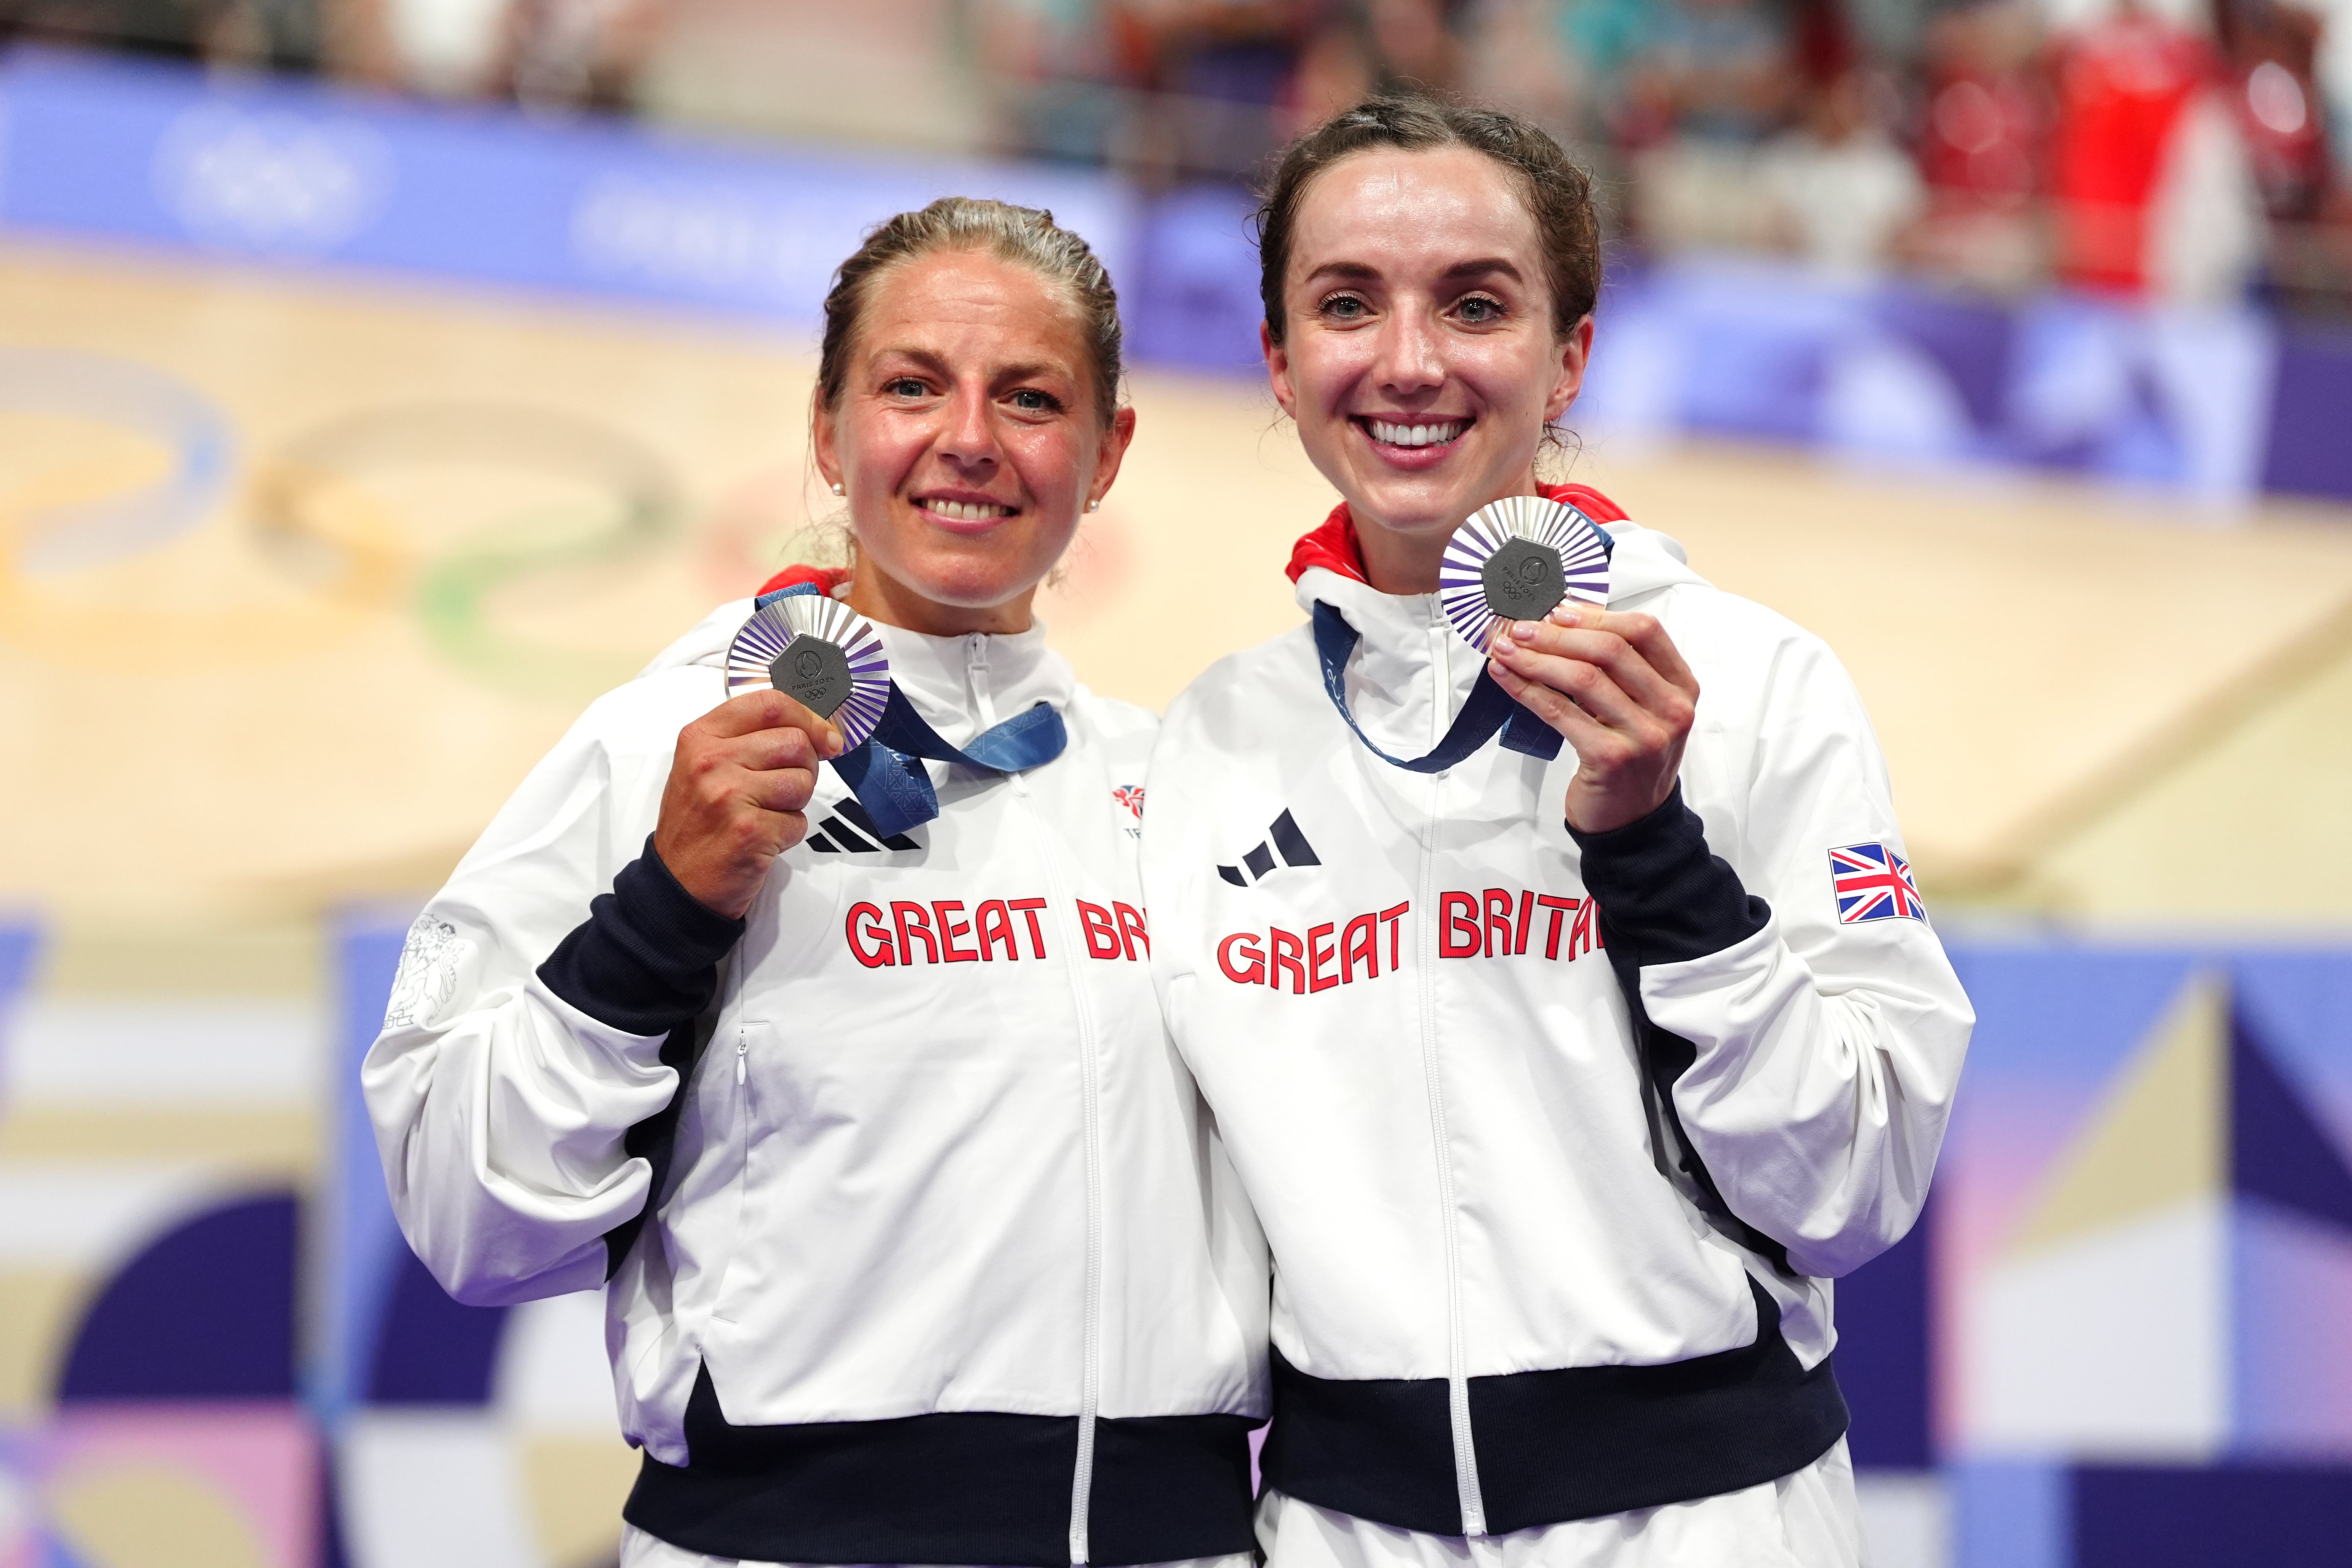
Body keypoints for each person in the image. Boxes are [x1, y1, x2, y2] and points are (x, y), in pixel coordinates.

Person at [364, 197, 1267, 1568]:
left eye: (1029, 396)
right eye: (912, 385)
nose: (969, 437)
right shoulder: (665, 749)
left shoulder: (1174, 786)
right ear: (827, 431)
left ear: (1108, 452)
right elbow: (463, 1208)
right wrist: (661, 911)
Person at [1142, 95, 1972, 1565]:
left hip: (1705, 1525)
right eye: (1347, 304)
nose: (1408, 361)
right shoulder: (1215, 738)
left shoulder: (1756, 683)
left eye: (1474, 304)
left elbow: (1856, 1183)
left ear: (1568, 354)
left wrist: (1657, 856)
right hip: (1343, 1531)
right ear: (1277, 358)